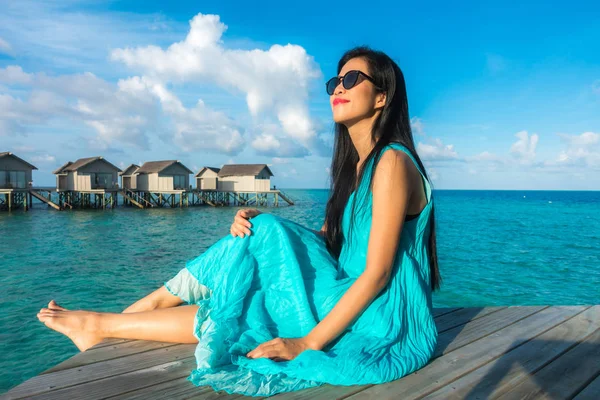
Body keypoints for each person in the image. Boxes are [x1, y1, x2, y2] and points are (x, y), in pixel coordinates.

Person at [37, 46, 442, 397]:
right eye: (334, 80)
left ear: (381, 97)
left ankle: (116, 320)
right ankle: (111, 322)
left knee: (252, 304)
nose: (338, 87)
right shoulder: (356, 170)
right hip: (345, 287)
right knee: (257, 248)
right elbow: (332, 242)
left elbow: (379, 272)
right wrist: (264, 223)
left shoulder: (392, 161)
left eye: (352, 79)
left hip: (382, 313)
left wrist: (307, 343)